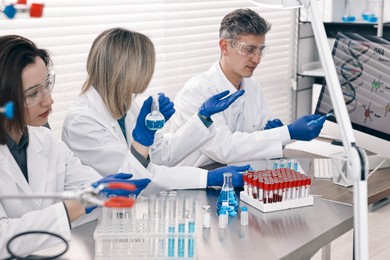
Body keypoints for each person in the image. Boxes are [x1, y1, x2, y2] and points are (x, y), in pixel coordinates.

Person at [0, 35, 150, 258]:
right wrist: (76, 205)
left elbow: (93, 187)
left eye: (47, 85)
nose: (48, 100)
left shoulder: (48, 142)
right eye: (33, 94)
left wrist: (139, 147)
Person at [62, 28, 249, 194]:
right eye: (146, 67)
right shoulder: (82, 121)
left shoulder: (126, 104)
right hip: (96, 219)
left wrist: (203, 117)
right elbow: (135, 176)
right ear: (126, 70)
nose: (149, 74)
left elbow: (160, 155)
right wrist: (207, 179)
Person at [165, 8, 327, 167]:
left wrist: (276, 133)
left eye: (260, 50)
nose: (257, 59)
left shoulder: (252, 87)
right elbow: (223, 148)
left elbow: (261, 139)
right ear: (224, 47)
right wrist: (287, 133)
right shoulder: (196, 92)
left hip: (238, 176)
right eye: (249, 50)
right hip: (196, 182)